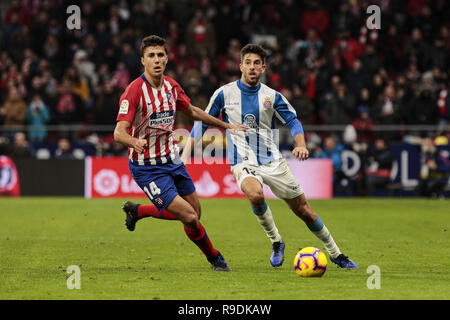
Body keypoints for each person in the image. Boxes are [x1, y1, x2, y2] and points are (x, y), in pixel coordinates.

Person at [182, 44, 358, 269]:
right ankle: (276, 241)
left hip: (272, 160)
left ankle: (336, 253)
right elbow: (203, 120)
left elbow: (293, 121)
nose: (252, 67)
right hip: (242, 161)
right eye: (248, 63)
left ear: (263, 68)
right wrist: (189, 150)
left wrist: (301, 145)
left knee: (303, 210)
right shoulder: (224, 93)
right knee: (255, 195)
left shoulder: (272, 96)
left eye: (257, 63)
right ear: (240, 66)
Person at [113, 35, 247, 272]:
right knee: (190, 217)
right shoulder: (134, 91)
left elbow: (193, 111)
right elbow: (118, 133)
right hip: (147, 167)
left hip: (172, 160)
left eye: (160, 55)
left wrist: (226, 125)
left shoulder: (171, 87)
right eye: (151, 56)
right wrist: (133, 141)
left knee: (195, 214)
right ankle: (215, 259)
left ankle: (138, 210)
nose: (156, 60)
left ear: (167, 59)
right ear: (142, 60)